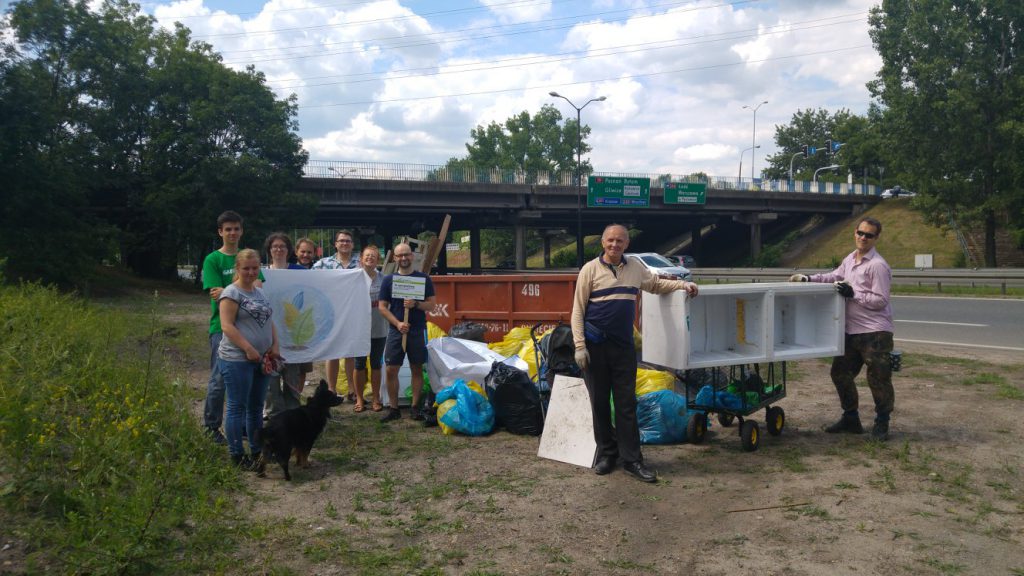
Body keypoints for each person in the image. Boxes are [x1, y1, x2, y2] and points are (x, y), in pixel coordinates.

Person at [571, 224, 699, 483]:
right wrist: (580, 347)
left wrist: (683, 285)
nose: (614, 245)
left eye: (619, 241)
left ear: (626, 244)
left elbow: (655, 284)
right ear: (603, 242)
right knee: (599, 404)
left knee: (626, 404)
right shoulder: (589, 270)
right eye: (610, 240)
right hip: (595, 348)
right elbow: (577, 310)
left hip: (623, 348)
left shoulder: (635, 268)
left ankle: (632, 459)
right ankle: (607, 454)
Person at [789, 216, 894, 441]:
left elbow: (880, 300)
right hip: (850, 330)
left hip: (875, 332)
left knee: (878, 378)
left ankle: (882, 423)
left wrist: (853, 293)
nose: (863, 238)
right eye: (860, 233)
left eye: (869, 235)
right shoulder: (851, 258)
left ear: (876, 238)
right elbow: (834, 277)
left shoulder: (877, 265)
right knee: (840, 373)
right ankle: (851, 418)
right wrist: (808, 278)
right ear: (855, 232)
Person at [201, 211, 263, 444]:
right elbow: (216, 293)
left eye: (236, 228)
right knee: (219, 381)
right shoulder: (213, 260)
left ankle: (244, 426)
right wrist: (242, 288)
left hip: (249, 328)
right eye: (228, 229)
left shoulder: (248, 256)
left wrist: (230, 291)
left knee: (247, 380)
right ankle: (211, 426)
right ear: (220, 232)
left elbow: (258, 286)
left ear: (241, 231)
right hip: (222, 327)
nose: (232, 233)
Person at [217, 248, 281, 468]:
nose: (251, 272)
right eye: (246, 268)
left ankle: (256, 450)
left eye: (255, 268)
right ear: (237, 268)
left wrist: (274, 345)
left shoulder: (260, 293)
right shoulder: (231, 293)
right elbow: (227, 326)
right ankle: (237, 454)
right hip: (237, 359)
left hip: (261, 359)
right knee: (237, 406)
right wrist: (248, 348)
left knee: (256, 407)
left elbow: (269, 322)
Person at [377, 242, 436, 423]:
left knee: (416, 368)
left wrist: (416, 304)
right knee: (391, 369)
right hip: (396, 331)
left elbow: (432, 305)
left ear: (412, 256)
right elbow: (382, 307)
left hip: (417, 330)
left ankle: (415, 407)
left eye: (406, 254)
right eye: (400, 255)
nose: (403, 258)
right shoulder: (389, 280)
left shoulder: (423, 279)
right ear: (395, 258)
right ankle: (394, 408)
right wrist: (398, 323)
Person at [263, 232, 312, 419]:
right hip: (269, 334)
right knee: (271, 379)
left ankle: (292, 414)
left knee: (292, 378)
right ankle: (273, 414)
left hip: (292, 334)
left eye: (282, 246)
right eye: (274, 246)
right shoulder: (261, 273)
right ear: (269, 250)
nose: (278, 249)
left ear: (289, 250)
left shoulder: (300, 271)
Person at [312, 230, 360, 398]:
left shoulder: (361, 263)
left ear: (352, 244)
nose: (344, 243)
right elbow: (309, 281)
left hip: (353, 313)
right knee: (332, 352)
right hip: (330, 314)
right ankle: (332, 390)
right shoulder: (322, 264)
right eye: (341, 241)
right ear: (336, 244)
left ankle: (352, 390)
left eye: (348, 241)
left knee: (350, 352)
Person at [352, 245, 389, 413]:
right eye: (367, 255)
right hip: (359, 329)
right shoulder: (353, 277)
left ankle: (375, 398)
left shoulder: (384, 279)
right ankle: (359, 398)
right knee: (359, 364)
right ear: (361, 258)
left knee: (375, 364)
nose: (370, 258)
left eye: (373, 256)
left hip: (379, 328)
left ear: (378, 260)